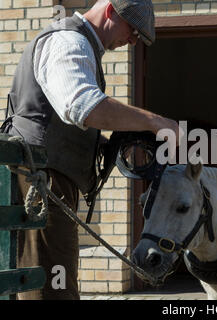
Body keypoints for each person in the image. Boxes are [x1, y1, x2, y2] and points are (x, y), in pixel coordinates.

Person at [0, 0, 182, 299]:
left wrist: (103, 143)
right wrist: (155, 122)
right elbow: (81, 106)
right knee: (50, 290)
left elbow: (69, 116)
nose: (133, 40)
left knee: (55, 282)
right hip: (39, 181)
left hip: (48, 180)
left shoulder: (80, 45)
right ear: (110, 10)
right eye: (132, 29)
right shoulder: (68, 41)